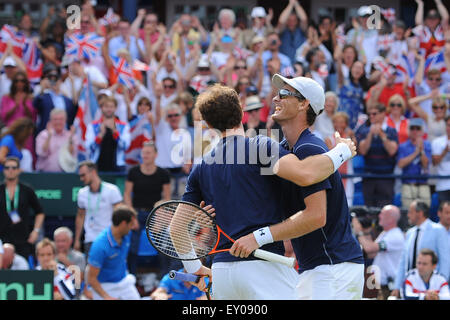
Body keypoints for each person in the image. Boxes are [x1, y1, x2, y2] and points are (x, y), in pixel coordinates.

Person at [181, 83, 356, 300]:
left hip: (222, 274)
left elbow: (175, 229)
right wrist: (342, 151)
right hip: (264, 268)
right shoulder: (261, 146)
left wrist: (194, 268)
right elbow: (306, 174)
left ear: (207, 124)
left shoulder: (200, 167)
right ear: (241, 111)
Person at [230, 75, 364, 300]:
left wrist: (258, 238)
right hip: (317, 269)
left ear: (304, 104)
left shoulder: (310, 148)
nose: (275, 98)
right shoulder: (284, 148)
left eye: (284, 94)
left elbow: (316, 217)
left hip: (333, 268)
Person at [124, 141, 171, 275]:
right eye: (143, 153)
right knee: (131, 248)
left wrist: (160, 217)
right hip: (136, 213)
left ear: (155, 155)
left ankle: (163, 278)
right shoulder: (133, 172)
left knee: (163, 247)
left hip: (156, 214)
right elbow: (127, 194)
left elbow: (166, 198)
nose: (145, 155)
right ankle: (131, 277)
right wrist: (131, 216)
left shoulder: (163, 173)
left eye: (148, 153)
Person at [392, 200, 450, 298]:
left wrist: (439, 285)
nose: (408, 215)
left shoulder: (438, 230)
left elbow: (445, 260)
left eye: (411, 212)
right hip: (410, 286)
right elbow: (403, 261)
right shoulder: (410, 233)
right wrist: (397, 286)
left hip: (431, 289)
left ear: (420, 213)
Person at [87, 204, 141, 300]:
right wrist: (106, 297)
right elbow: (91, 278)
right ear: (124, 224)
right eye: (131, 224)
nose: (132, 227)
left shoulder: (127, 234)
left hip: (124, 281)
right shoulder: (100, 246)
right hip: (104, 286)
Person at [352, 205, 405, 300]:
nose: (379, 216)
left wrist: (359, 232)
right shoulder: (386, 233)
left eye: (382, 214)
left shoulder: (395, 235)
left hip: (389, 287)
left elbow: (369, 248)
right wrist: (366, 232)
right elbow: (372, 253)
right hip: (380, 285)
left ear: (391, 219)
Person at [74, 160, 123, 257]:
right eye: (80, 176)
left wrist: (118, 236)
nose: (81, 178)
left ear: (93, 172)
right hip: (90, 239)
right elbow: (80, 216)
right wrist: (77, 240)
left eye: (83, 175)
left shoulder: (112, 190)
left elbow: (120, 215)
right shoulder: (82, 193)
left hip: (109, 238)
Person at [0, 156, 45, 258]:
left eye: (14, 167)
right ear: (3, 170)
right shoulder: (0, 189)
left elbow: (40, 212)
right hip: (2, 238)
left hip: (23, 238)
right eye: (7, 168)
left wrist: (36, 231)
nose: (10, 170)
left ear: (19, 170)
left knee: (23, 269)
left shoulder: (27, 190)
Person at [355, 103, 399, 207]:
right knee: (369, 212)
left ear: (383, 114)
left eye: (374, 114)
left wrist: (381, 134)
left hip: (386, 177)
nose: (371, 116)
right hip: (369, 177)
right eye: (369, 114)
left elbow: (392, 151)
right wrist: (370, 134)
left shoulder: (391, 131)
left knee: (385, 209)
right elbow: (362, 151)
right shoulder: (364, 131)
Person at [85, 96, 131, 173]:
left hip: (118, 167)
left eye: (111, 106)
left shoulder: (123, 126)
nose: (109, 109)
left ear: (115, 108)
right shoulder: (93, 126)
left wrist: (115, 132)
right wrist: (100, 136)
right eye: (106, 106)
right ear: (102, 108)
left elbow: (125, 146)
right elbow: (89, 147)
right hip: (97, 166)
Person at [32, 64, 77, 135]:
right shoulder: (44, 96)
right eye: (51, 79)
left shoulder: (66, 99)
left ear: (60, 81)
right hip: (47, 134)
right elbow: (35, 105)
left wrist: (72, 84)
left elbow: (74, 108)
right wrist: (42, 88)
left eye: (56, 79)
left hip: (64, 134)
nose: (54, 82)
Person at [397, 118, 432, 208]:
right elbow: (400, 164)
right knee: (409, 213)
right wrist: (416, 152)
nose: (415, 131)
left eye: (418, 128)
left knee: (424, 212)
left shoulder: (427, 144)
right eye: (412, 128)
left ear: (422, 131)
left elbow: (425, 164)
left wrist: (422, 151)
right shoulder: (403, 146)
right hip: (408, 184)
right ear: (409, 130)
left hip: (423, 184)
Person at [0, 71, 36, 155]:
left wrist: (24, 104)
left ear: (25, 83)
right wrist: (15, 106)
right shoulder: (6, 97)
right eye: (17, 81)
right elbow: (3, 116)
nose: (19, 83)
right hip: (11, 131)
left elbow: (33, 117)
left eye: (22, 81)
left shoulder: (30, 98)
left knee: (26, 155)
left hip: (26, 133)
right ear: (13, 83)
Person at [276, 0, 308, 64]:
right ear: (286, 21)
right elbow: (281, 22)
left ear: (297, 22)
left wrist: (296, 3)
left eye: (294, 20)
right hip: (284, 65)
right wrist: (290, 4)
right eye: (289, 20)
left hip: (300, 65)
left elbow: (304, 19)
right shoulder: (283, 31)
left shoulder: (301, 31)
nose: (291, 23)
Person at [431, 115, 450, 203]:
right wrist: (445, 151)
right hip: (443, 186)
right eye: (448, 125)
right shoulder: (437, 142)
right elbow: (434, 162)